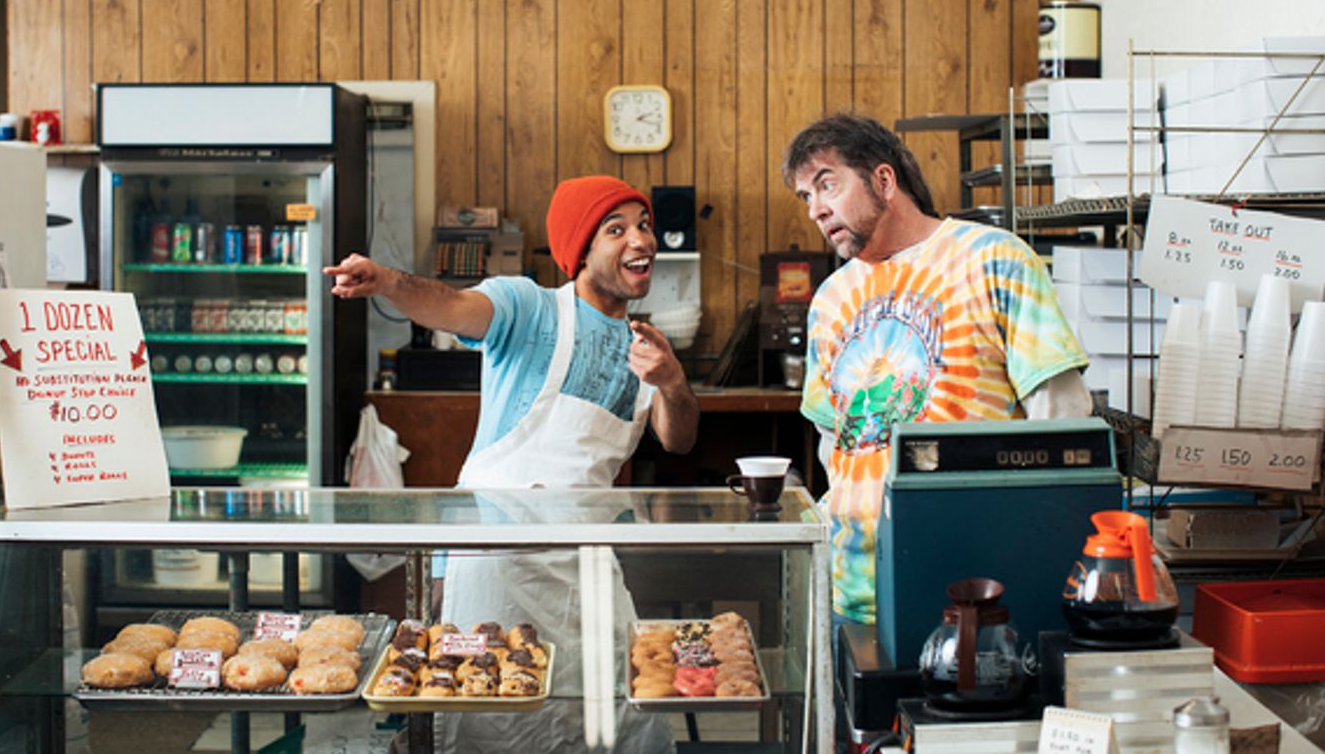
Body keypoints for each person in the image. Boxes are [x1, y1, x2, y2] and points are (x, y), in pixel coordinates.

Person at [325, 174, 697, 753]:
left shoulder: (643, 345)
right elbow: (450, 307)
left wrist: (673, 382)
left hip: (586, 563)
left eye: (644, 225)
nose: (640, 239)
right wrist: (387, 282)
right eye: (616, 229)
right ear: (581, 249)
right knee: (489, 716)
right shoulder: (530, 308)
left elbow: (678, 439)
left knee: (617, 713)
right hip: (497, 559)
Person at [780, 112, 1091, 630]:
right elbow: (832, 442)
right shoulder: (830, 300)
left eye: (827, 184)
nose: (816, 209)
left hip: (977, 589)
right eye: (806, 197)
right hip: (853, 589)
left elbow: (1064, 421)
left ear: (884, 180)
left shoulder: (995, 260)